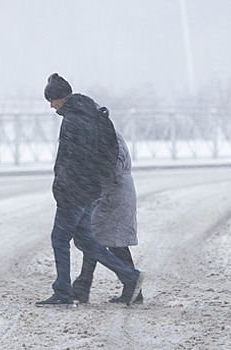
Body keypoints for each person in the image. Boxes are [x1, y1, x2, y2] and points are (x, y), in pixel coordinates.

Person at [35, 73, 144, 307]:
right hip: (89, 189)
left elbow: (73, 159)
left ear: (60, 98)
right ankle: (128, 276)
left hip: (75, 190)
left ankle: (64, 291)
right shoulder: (90, 116)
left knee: (59, 239)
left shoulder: (73, 121)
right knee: (87, 240)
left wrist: (63, 187)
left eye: (51, 100)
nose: (51, 106)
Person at [71, 126, 144, 304]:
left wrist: (93, 176)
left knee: (112, 240)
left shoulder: (105, 133)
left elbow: (114, 165)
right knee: (97, 237)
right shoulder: (102, 132)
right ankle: (84, 285)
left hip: (113, 193)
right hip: (110, 192)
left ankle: (131, 283)